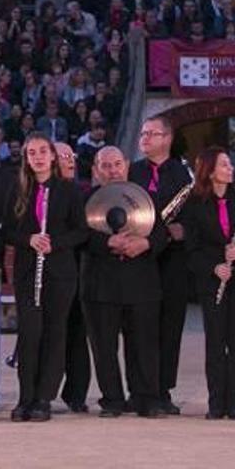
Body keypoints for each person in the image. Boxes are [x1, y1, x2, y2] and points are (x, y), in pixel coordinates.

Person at [2, 133, 87, 422]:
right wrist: (29, 239)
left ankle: (43, 398)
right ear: (26, 158)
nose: (37, 157)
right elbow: (7, 231)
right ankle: (25, 397)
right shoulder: (17, 189)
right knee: (30, 333)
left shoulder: (69, 190)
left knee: (55, 333)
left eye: (42, 151)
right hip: (28, 273)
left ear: (52, 156)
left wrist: (55, 242)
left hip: (60, 273)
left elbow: (82, 231)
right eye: (31, 153)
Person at [84, 146, 166, 418]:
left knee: (144, 344)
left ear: (127, 165)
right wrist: (106, 241)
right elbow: (78, 235)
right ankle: (112, 399)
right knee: (104, 347)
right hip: (100, 285)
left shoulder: (148, 198)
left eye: (117, 164)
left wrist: (145, 243)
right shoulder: (85, 200)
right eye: (105, 165)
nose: (112, 170)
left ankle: (146, 398)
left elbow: (164, 233)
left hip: (142, 282)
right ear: (96, 170)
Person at [128, 115, 193, 415]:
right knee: (137, 326)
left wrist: (183, 231)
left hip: (172, 261)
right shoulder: (133, 171)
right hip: (138, 259)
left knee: (169, 325)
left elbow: (194, 219)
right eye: (142, 134)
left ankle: (162, 389)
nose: (144, 138)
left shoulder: (184, 175)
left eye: (151, 134)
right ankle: (139, 389)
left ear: (167, 138)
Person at [185, 147, 235, 419]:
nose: (231, 169)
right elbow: (191, 251)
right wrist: (215, 266)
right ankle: (217, 403)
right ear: (210, 171)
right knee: (215, 342)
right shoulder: (194, 205)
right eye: (225, 165)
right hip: (212, 281)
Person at [54, 141, 92, 413]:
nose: (69, 160)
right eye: (63, 156)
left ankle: (76, 394)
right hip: (51, 271)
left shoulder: (84, 193)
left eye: (71, 155)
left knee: (78, 334)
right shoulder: (38, 193)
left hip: (80, 271)